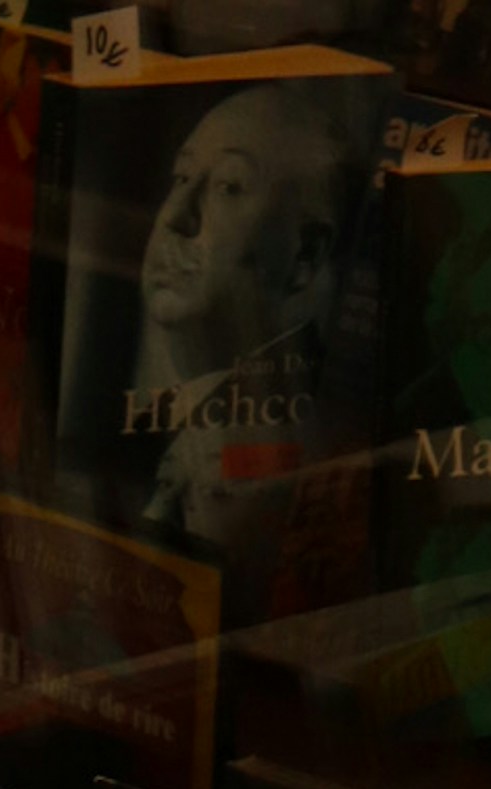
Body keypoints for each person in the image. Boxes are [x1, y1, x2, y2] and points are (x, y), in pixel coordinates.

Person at [116, 81, 373, 574]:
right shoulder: (135, 431)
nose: (175, 218)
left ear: (304, 255)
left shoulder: (316, 460)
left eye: (228, 186)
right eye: (181, 176)